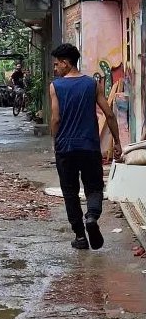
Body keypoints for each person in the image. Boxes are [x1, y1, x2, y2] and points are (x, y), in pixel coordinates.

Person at [50, 43, 121, 251]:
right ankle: (92, 216)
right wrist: (117, 142)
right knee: (94, 187)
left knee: (70, 192)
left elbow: (55, 118)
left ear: (66, 63)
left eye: (57, 64)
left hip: (65, 147)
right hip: (89, 146)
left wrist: (55, 141)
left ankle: (80, 237)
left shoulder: (56, 86)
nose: (55, 68)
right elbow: (109, 114)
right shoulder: (92, 84)